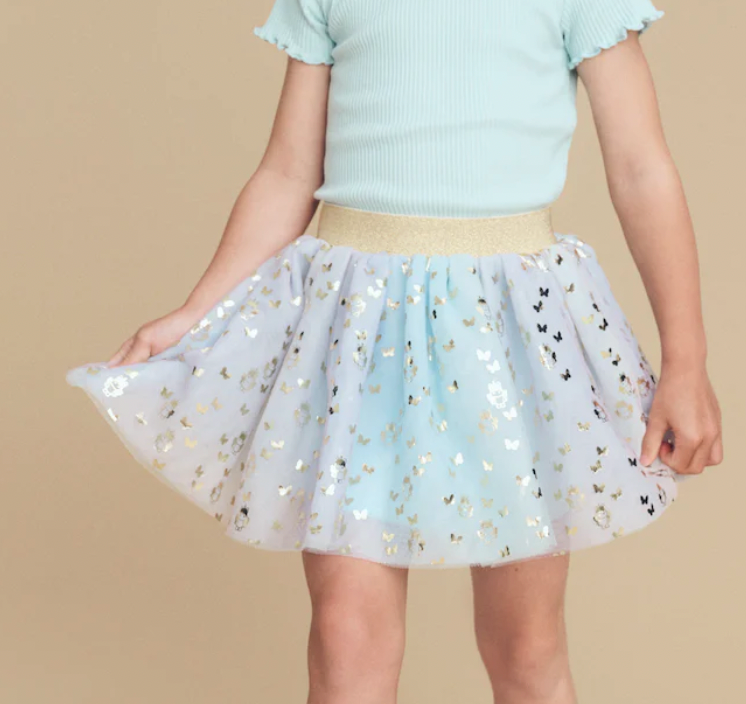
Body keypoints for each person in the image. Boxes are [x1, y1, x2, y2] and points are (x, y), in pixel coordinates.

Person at [66, 1, 723, 702]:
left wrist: (686, 363)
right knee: (346, 638)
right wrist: (196, 312)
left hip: (509, 339)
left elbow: (641, 168)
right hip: (359, 338)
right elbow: (288, 173)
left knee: (526, 644)